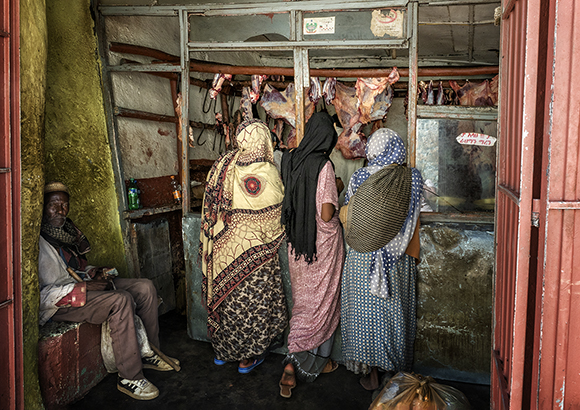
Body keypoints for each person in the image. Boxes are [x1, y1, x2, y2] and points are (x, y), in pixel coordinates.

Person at [38, 181, 179, 401]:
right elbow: (44, 293)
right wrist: (83, 287)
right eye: (53, 205)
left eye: (64, 205)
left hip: (81, 287)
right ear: (42, 207)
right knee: (120, 300)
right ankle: (129, 377)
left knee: (144, 287)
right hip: (59, 302)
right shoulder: (37, 243)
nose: (60, 211)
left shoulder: (65, 234)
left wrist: (96, 272)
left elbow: (78, 268)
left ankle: (149, 351)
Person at [199, 119, 288, 374]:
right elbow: (277, 212)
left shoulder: (222, 165)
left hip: (223, 251)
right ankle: (246, 359)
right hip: (255, 255)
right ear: (264, 141)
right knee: (252, 305)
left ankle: (222, 353)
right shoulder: (266, 172)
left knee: (227, 302)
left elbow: (210, 206)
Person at [339, 128, 422, 391]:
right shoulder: (412, 178)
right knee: (393, 314)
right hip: (395, 258)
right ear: (397, 147)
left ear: (373, 150)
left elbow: (349, 214)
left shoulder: (359, 177)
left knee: (364, 315)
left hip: (362, 257)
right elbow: (414, 217)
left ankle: (371, 373)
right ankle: (395, 378)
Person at [278, 112, 345, 398]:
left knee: (304, 305)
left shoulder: (291, 159)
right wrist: (338, 188)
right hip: (321, 247)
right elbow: (327, 212)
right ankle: (318, 361)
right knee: (323, 303)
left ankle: (292, 363)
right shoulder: (324, 166)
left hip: (298, 245)